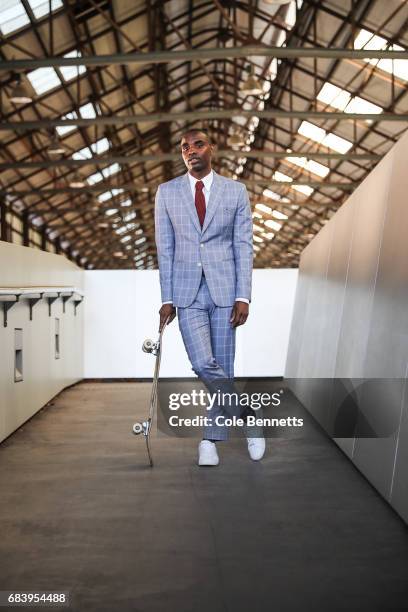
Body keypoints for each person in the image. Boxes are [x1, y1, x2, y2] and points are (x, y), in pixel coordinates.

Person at [154, 128, 265, 466]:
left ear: (211, 149)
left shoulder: (235, 191)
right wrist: (167, 297)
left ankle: (209, 442)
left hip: (225, 291)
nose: (191, 151)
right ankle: (247, 417)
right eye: (185, 147)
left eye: (198, 144)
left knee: (224, 365)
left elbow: (243, 246)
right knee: (203, 363)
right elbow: (166, 249)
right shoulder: (167, 192)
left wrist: (243, 295)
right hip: (187, 293)